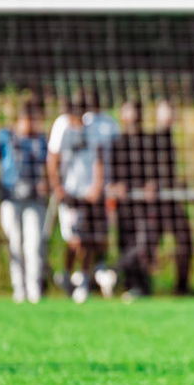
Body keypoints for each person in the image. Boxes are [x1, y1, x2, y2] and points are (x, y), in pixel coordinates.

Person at [0, 99, 49, 304]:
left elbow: (50, 166)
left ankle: (34, 288)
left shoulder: (41, 140)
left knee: (33, 244)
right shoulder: (5, 136)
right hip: (10, 198)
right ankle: (18, 289)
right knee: (15, 242)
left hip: (34, 200)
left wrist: (46, 183)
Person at [47, 97, 106, 305]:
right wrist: (57, 187)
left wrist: (97, 186)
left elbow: (98, 158)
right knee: (74, 239)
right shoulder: (61, 126)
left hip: (88, 192)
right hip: (69, 191)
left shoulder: (91, 128)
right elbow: (52, 158)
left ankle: (83, 278)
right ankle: (67, 272)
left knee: (88, 239)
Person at [109, 99, 159, 299]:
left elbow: (158, 169)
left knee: (143, 244)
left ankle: (111, 271)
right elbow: (110, 173)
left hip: (145, 205)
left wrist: (153, 183)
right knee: (126, 242)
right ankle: (134, 286)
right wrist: (114, 186)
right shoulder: (117, 143)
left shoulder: (150, 142)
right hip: (125, 205)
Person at [148, 99, 194, 295]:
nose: (170, 116)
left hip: (170, 200)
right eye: (166, 112)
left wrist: (176, 184)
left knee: (185, 240)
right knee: (147, 246)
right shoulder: (154, 139)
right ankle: (140, 286)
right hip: (157, 204)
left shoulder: (169, 138)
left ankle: (181, 287)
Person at [80, 90, 122, 298]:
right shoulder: (82, 123)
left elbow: (118, 154)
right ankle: (85, 275)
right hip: (84, 191)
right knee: (83, 235)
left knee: (105, 232)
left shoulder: (110, 124)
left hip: (105, 190)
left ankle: (102, 269)